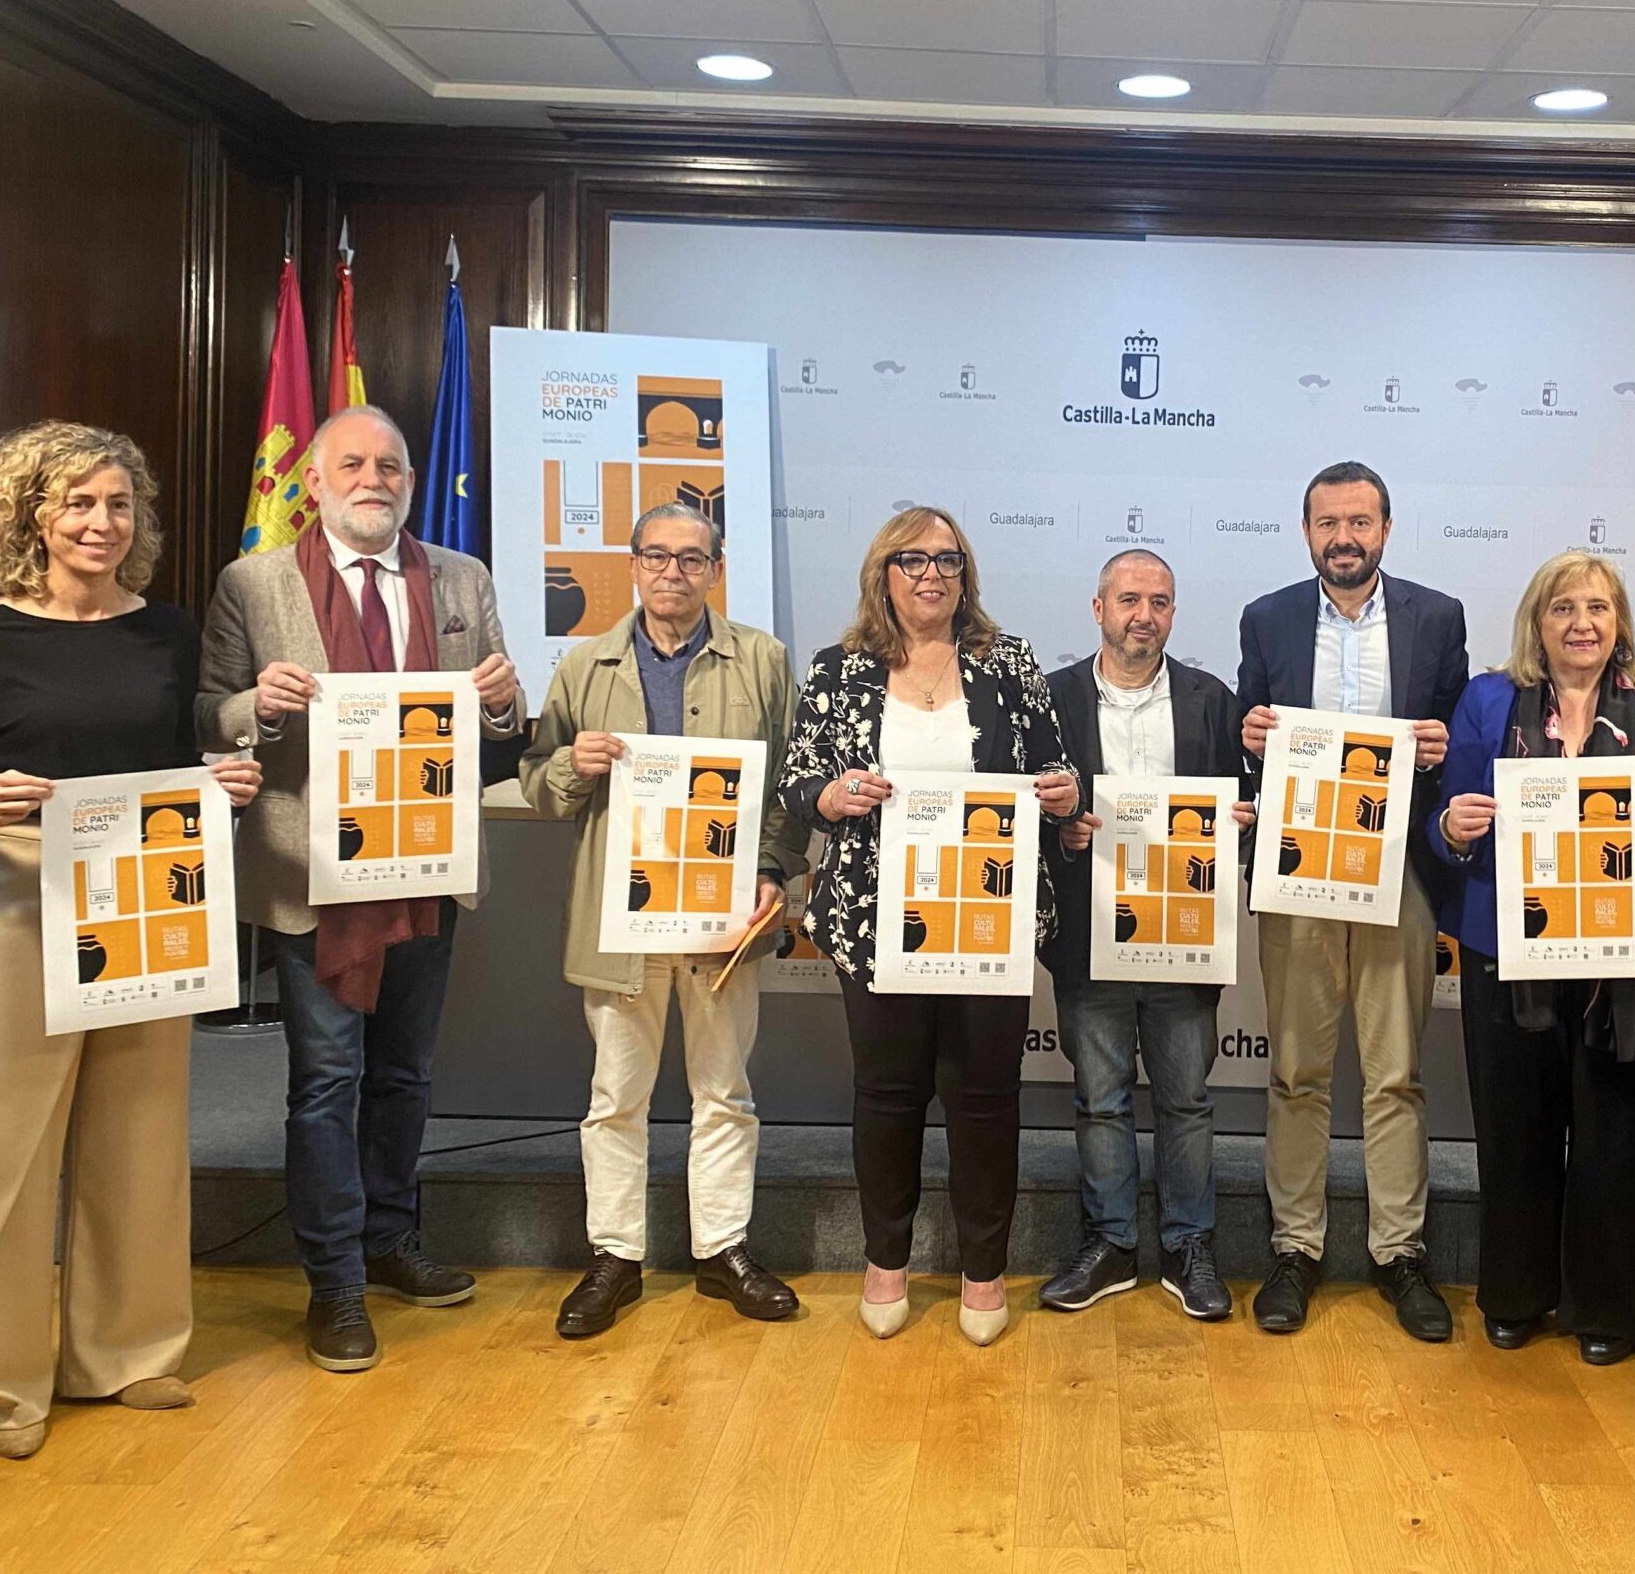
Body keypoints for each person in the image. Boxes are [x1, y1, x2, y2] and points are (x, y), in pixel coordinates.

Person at [0, 423, 263, 1459]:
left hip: (143, 895)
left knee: (137, 1135)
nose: (100, 523)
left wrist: (219, 781)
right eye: (77, 504)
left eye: (118, 505)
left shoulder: (169, 632)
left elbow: (170, 759)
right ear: (32, 516)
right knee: (1, 1154)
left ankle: (126, 1356)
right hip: (11, 903)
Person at [195, 404, 524, 1373]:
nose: (374, 477)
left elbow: (502, 732)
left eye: (391, 465)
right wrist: (254, 705)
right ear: (316, 482)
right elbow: (207, 715)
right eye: (354, 462)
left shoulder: (462, 579)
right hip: (313, 874)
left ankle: (389, 1236)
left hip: (427, 867)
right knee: (327, 1082)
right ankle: (333, 1279)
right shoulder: (253, 583)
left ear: (411, 483)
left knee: (406, 1073)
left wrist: (505, 706)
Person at [779, 506, 1079, 1346]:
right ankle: (886, 1261)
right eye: (912, 560)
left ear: (965, 574)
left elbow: (1058, 769)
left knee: (985, 1099)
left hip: (988, 915)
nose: (932, 574)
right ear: (883, 572)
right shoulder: (838, 670)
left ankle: (984, 1271)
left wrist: (1063, 791)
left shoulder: (1007, 662)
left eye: (948, 560)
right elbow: (798, 780)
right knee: (888, 1095)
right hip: (879, 923)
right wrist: (829, 797)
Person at [518, 502, 809, 1338]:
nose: (673, 571)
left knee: (725, 1091)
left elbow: (790, 784)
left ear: (714, 569)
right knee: (616, 1096)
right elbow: (538, 785)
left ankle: (723, 1251)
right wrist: (570, 767)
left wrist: (768, 871)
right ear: (634, 563)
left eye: (692, 558)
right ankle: (615, 1256)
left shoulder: (761, 658)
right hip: (624, 920)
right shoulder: (584, 665)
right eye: (658, 556)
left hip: (724, 917)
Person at [1429, 550, 1635, 1365]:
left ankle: (1610, 1311)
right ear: (1537, 623)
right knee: (1513, 1128)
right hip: (1506, 948)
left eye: (1597, 607)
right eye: (1563, 609)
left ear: (1618, 622)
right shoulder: (1486, 703)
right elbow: (1444, 817)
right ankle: (1516, 1294)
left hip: (1628, 959)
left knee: (1616, 1136)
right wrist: (1451, 829)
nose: (1581, 623)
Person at [1236, 460, 1467, 1341]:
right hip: (1296, 870)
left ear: (1385, 528)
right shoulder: (1268, 618)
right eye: (1328, 522)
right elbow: (1248, 745)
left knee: (1396, 1070)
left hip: (1396, 869)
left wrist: (1443, 744)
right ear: (1307, 533)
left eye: (1359, 522)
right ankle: (1295, 1249)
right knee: (1295, 1068)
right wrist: (1251, 735)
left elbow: (1456, 740)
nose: (1344, 537)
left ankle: (1398, 1252)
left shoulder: (1436, 617)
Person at [1040, 549, 1250, 1322]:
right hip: (1089, 935)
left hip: (1186, 935)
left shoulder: (1210, 701)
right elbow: (1027, 813)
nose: (1144, 615)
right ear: (1098, 609)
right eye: (1129, 599)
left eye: (1159, 602)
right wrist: (1062, 833)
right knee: (1099, 1100)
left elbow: (1247, 807)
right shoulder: (1052, 700)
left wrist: (1238, 825)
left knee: (1187, 1100)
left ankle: (1190, 1246)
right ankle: (1112, 1245)